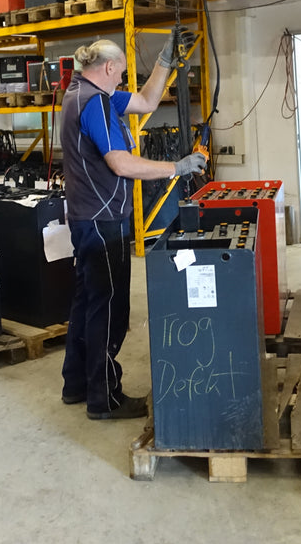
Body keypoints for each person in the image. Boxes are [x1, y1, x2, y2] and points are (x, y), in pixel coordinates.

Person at [59, 30, 207, 420]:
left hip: (87, 217)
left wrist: (164, 60)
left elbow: (145, 101)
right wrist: (176, 167)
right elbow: (121, 164)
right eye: (122, 72)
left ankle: (76, 384)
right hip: (102, 219)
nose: (123, 79)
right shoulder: (94, 103)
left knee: (88, 303)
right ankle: (104, 398)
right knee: (109, 308)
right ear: (109, 68)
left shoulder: (84, 93)